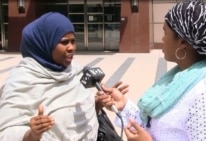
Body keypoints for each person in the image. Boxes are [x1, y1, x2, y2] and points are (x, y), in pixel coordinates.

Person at [97, 0, 206, 141]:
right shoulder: (179, 78)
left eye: (165, 33)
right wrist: (124, 105)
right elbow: (153, 124)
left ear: (182, 42)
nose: (162, 39)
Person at [0, 12, 128, 141]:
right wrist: (32, 135)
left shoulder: (75, 73)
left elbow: (80, 114)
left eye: (73, 41)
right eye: (64, 42)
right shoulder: (21, 82)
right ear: (44, 44)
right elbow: (6, 133)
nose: (71, 48)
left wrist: (97, 103)